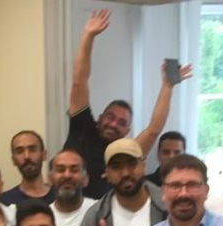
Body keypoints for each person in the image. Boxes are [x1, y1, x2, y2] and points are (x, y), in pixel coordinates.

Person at [64, 9, 191, 199]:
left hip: (103, 213)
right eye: (110, 117)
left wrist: (167, 86)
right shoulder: (82, 127)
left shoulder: (126, 152)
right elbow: (79, 80)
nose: (114, 124)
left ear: (126, 131)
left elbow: (154, 129)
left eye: (122, 123)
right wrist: (88, 35)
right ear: (100, 118)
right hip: (65, 205)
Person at [48, 149, 96, 226]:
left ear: (85, 179)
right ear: (50, 179)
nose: (67, 175)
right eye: (60, 170)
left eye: (74, 170)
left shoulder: (98, 211)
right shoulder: (43, 217)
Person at [0, 131, 54, 206]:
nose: (26, 156)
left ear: (44, 155)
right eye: (20, 151)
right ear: (13, 160)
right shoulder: (4, 202)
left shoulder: (60, 197)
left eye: (32, 150)